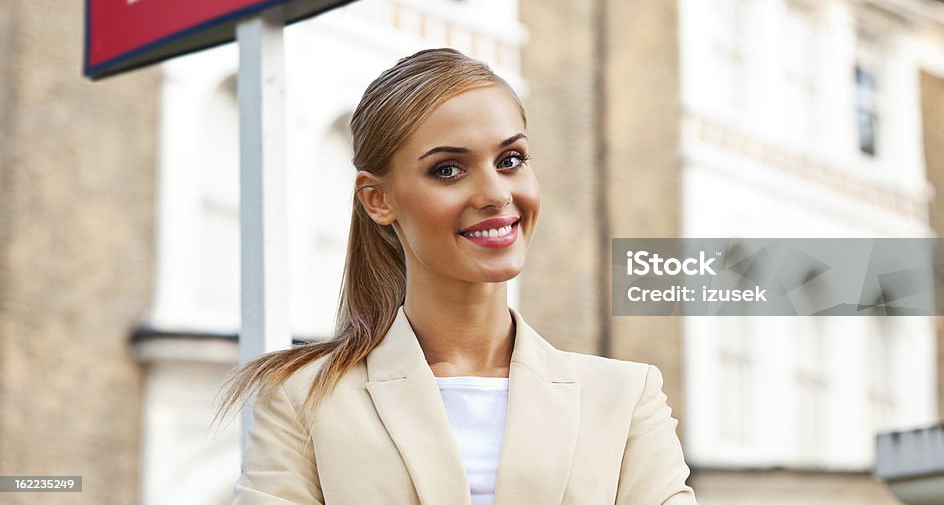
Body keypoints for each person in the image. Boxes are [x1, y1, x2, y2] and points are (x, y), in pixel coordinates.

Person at [215, 47, 698, 504]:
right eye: (448, 170)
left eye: (510, 161)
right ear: (378, 200)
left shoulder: (626, 397)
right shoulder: (303, 399)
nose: (494, 194)